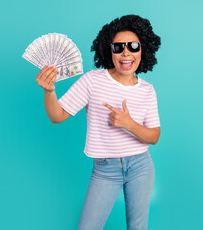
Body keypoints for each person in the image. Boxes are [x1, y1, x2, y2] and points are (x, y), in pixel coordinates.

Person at [35, 14, 161, 230]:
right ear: (108, 50)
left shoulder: (147, 90)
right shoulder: (93, 81)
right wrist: (49, 90)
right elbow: (57, 117)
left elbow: (154, 136)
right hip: (105, 170)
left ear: (143, 50)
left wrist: (128, 124)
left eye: (133, 46)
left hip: (141, 165)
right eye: (118, 47)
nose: (126, 53)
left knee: (138, 227)